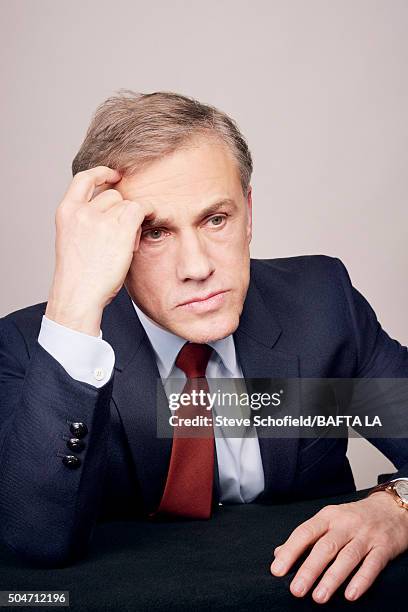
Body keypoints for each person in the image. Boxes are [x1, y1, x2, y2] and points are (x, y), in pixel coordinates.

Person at [0, 91, 408, 604]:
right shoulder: (33, 347)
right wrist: (74, 306)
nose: (197, 267)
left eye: (216, 219)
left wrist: (398, 504)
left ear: (249, 211)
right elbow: (36, 539)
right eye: (154, 233)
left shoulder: (322, 304)